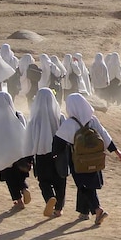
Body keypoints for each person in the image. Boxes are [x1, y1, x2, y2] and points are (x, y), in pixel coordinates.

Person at [54, 93, 121, 224]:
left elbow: (58, 142)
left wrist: (54, 155)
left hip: (78, 160)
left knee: (84, 186)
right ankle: (84, 212)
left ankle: (97, 209)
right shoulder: (93, 120)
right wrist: (116, 151)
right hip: (95, 158)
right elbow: (104, 135)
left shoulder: (70, 123)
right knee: (88, 183)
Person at [26, 88, 68, 217]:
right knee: (60, 181)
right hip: (59, 154)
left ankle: (49, 197)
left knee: (44, 181)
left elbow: (29, 139)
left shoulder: (34, 120)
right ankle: (59, 209)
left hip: (41, 155)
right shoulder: (60, 117)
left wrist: (29, 156)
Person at [0, 91, 32, 209]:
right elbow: (25, 130)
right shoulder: (18, 115)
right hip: (20, 152)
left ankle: (18, 201)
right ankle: (24, 188)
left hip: (5, 154)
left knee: (10, 177)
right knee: (20, 173)